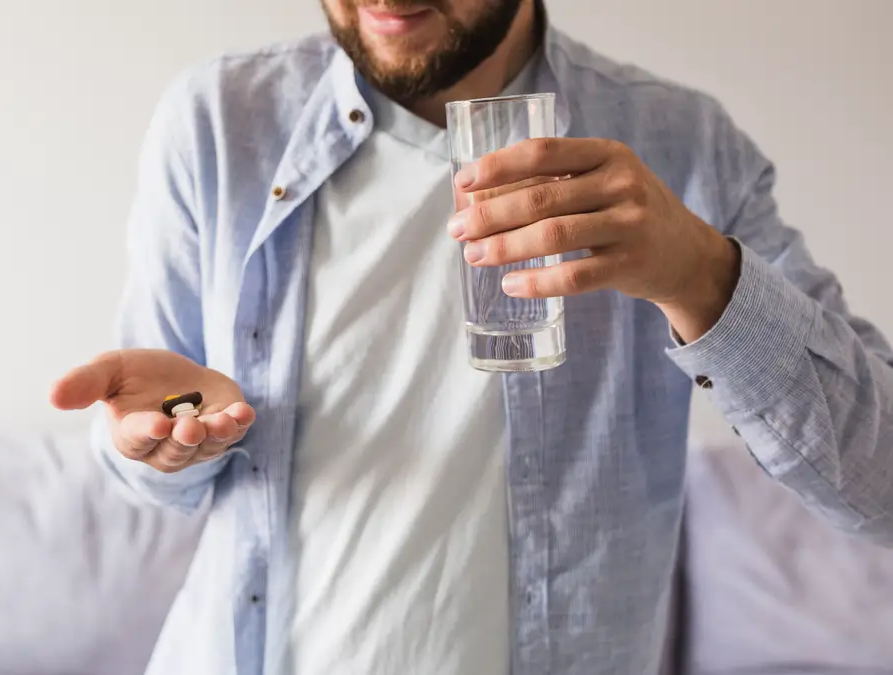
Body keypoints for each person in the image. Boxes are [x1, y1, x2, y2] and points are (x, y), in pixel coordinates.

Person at [50, 0, 893, 673]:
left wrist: (702, 275)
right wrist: (160, 445)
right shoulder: (220, 123)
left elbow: (881, 482)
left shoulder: (685, 146)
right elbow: (152, 475)